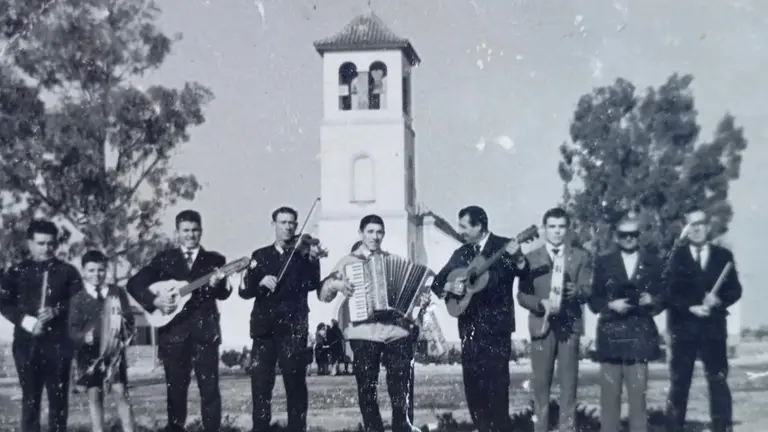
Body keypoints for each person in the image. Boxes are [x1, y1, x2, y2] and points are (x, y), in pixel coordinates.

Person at [126, 210, 231, 432]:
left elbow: (223, 294)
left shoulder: (215, 260)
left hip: (205, 332)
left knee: (210, 389)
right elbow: (134, 284)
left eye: (195, 230)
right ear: (177, 233)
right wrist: (155, 301)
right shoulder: (164, 259)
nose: (191, 235)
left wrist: (216, 285)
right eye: (186, 230)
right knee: (175, 391)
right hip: (173, 334)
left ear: (201, 232)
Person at [318, 215, 424, 432]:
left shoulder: (393, 259)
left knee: (402, 389)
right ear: (361, 233)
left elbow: (411, 296)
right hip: (363, 333)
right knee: (367, 389)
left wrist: (420, 299)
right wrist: (336, 285)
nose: (375, 237)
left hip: (396, 332)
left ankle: (402, 428)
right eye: (370, 232)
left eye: (379, 232)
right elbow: (323, 295)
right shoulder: (348, 262)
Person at [430, 206, 530, 432]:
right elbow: (437, 283)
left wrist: (520, 257)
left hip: (496, 330)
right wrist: (450, 287)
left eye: (464, 226)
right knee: (474, 391)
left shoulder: (504, 247)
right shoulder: (462, 253)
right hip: (469, 330)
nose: (460, 231)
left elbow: (524, 274)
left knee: (497, 389)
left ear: (479, 226)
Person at [239, 206, 321, 432]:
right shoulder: (260, 256)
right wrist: (259, 282)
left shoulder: (304, 256)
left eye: (292, 223)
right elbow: (244, 292)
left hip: (293, 330)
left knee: (295, 387)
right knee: (261, 386)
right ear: (273, 224)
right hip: (264, 331)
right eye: (283, 222)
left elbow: (314, 284)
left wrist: (314, 260)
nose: (288, 227)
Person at [0, 219, 83, 432]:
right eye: (40, 243)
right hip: (26, 346)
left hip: (58, 346)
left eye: (50, 244)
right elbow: (4, 302)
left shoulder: (68, 272)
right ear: (29, 243)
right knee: (30, 401)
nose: (46, 249)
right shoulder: (16, 271)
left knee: (58, 403)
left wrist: (56, 311)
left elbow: (80, 303)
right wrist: (28, 322)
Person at [665, 206, 742, 432]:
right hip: (684, 328)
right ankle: (674, 428)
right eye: (692, 225)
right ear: (686, 229)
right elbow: (668, 293)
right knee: (680, 383)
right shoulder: (675, 257)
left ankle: (722, 427)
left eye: (701, 224)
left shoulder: (723, 256)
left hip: (713, 329)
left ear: (708, 227)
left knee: (718, 380)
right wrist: (690, 308)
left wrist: (718, 301)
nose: (697, 229)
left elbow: (735, 290)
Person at [516, 207, 592, 432]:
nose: (557, 232)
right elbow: (521, 295)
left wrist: (575, 291)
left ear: (567, 229)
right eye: (552, 227)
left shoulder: (580, 256)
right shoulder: (531, 258)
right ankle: (540, 428)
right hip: (542, 326)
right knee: (541, 384)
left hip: (569, 325)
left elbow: (588, 290)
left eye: (561, 227)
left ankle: (567, 429)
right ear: (544, 229)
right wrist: (540, 304)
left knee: (569, 384)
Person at [588, 215, 664, 432]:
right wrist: (610, 305)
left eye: (633, 234)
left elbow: (665, 295)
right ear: (616, 237)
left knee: (638, 401)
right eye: (624, 235)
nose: (629, 238)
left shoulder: (654, 263)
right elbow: (593, 299)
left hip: (640, 337)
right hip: (611, 335)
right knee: (609, 401)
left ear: (639, 236)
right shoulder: (603, 262)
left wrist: (653, 300)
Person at [68, 251, 137, 432]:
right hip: (89, 355)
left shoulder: (117, 292)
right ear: (83, 271)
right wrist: (84, 337)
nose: (96, 274)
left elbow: (129, 319)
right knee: (94, 395)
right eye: (91, 270)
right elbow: (72, 330)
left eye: (100, 270)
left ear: (106, 270)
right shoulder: (77, 299)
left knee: (121, 392)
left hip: (113, 353)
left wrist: (124, 332)